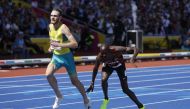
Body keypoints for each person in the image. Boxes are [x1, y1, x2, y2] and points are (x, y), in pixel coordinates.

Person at [46, 8, 91, 109]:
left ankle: (86, 99)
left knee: (74, 81)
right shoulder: (49, 26)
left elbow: (75, 44)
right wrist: (51, 47)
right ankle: (59, 96)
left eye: (55, 16)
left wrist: (60, 45)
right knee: (48, 75)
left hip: (67, 58)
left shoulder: (64, 28)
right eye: (51, 15)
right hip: (56, 57)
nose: (53, 17)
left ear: (60, 18)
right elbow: (52, 40)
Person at [86, 44, 145, 109]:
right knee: (103, 79)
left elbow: (135, 48)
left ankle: (140, 105)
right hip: (108, 67)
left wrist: (132, 58)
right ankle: (106, 98)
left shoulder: (117, 50)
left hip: (120, 67)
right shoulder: (100, 57)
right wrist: (92, 83)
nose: (103, 55)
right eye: (102, 53)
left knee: (125, 90)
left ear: (110, 51)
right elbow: (95, 69)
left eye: (105, 53)